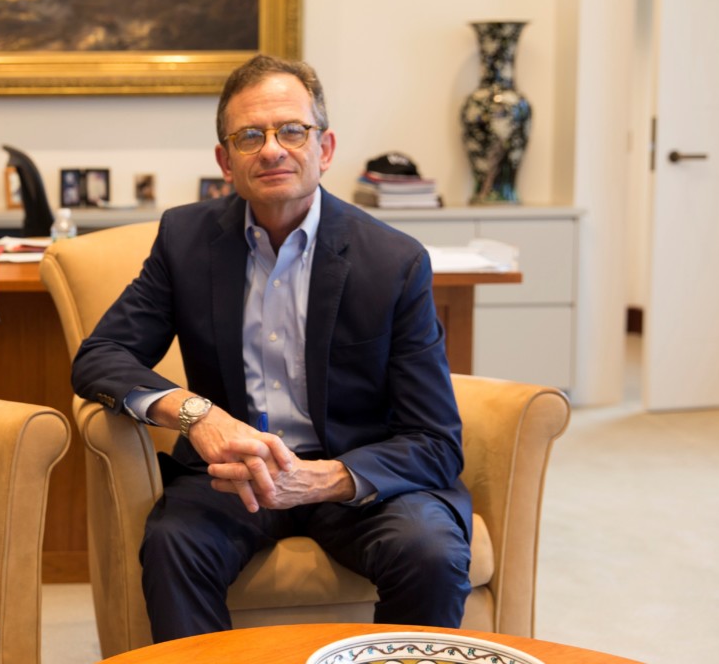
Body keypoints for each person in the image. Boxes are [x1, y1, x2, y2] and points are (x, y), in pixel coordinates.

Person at [72, 54, 471, 642]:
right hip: (235, 476)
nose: (273, 149)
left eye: (292, 130)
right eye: (250, 136)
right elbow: (100, 356)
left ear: (325, 148)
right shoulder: (185, 240)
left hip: (353, 476)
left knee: (431, 552)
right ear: (224, 160)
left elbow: (436, 440)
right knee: (173, 545)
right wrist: (196, 414)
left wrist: (327, 478)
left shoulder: (393, 261)